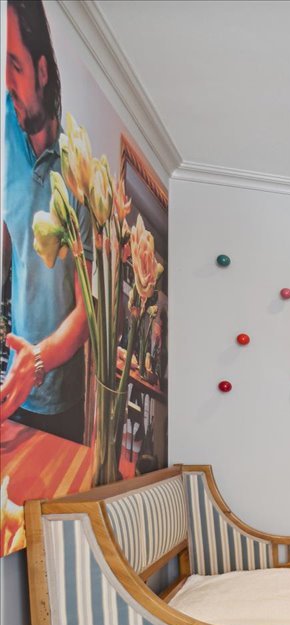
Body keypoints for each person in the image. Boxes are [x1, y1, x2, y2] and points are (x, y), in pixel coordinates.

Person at [1, 0, 91, 442]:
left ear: (41, 70)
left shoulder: (80, 171)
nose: (6, 83)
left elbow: (87, 312)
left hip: (59, 398)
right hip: (9, 376)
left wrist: (36, 361)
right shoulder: (2, 127)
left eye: (14, 66)